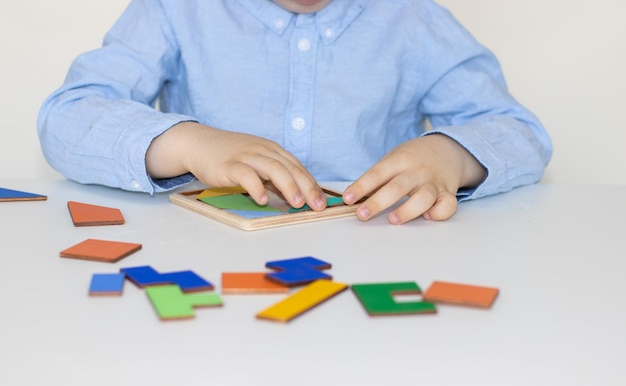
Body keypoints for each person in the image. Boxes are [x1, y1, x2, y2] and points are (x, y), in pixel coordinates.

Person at [37, 0, 552, 224]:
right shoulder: (174, 10)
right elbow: (66, 117)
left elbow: (521, 133)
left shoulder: (413, 18)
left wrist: (449, 156)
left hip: (374, 261)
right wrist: (189, 142)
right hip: (202, 264)